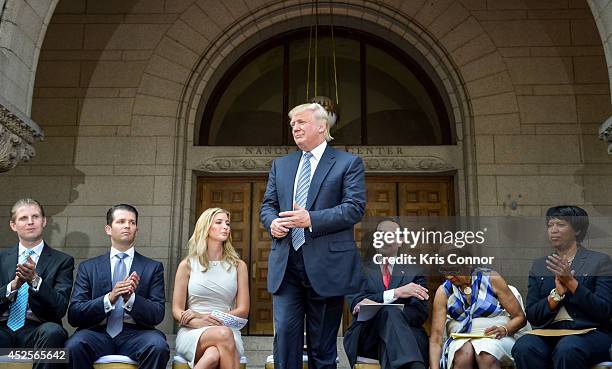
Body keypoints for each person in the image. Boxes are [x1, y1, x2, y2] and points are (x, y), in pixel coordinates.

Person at [260, 102, 366, 369]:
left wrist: (311, 219)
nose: (295, 127)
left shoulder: (348, 163)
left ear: (322, 126)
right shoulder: (281, 165)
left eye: (301, 122)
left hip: (327, 267)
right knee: (284, 337)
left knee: (322, 348)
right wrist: (272, 222)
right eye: (292, 124)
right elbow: (268, 205)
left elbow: (354, 208)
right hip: (287, 266)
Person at [65, 204, 169, 369]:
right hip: (97, 334)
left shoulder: (152, 267)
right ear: (108, 229)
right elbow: (74, 314)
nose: (127, 225)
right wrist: (110, 298)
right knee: (73, 346)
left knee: (158, 345)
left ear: (137, 229)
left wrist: (131, 299)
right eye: (121, 221)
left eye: (132, 222)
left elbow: (157, 314)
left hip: (137, 334)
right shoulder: (89, 267)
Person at [512, 205, 612, 369]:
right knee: (524, 346)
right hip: (549, 333)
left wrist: (572, 284)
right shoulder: (539, 266)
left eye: (560, 224)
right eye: (550, 225)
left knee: (568, 348)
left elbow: (604, 310)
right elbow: (532, 314)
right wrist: (556, 296)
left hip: (590, 332)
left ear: (577, 230)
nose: (553, 230)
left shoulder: (600, 261)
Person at [344, 219, 429, 369]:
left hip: (404, 334)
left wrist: (387, 311)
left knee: (390, 317)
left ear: (401, 240)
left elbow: (420, 313)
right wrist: (396, 293)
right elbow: (355, 302)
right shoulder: (359, 270)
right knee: (390, 315)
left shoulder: (415, 271)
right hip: (368, 334)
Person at [0, 198, 74, 369]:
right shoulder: (1, 259)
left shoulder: (62, 261)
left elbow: (60, 308)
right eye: (23, 218)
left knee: (54, 332)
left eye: (36, 216)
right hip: (2, 329)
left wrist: (35, 281)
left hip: (38, 330)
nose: (30, 222)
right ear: (13, 225)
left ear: (44, 221)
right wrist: (13, 287)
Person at [173, 208, 249, 369]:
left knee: (213, 354)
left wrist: (203, 316)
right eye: (219, 222)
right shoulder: (187, 265)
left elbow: (243, 310)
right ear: (206, 228)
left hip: (228, 329)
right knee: (223, 335)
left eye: (227, 223)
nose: (225, 227)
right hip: (193, 331)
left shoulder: (239, 266)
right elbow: (176, 311)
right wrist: (197, 321)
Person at [430, 246, 526, 369]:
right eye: (445, 270)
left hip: (496, 337)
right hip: (461, 339)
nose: (449, 277)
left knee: (485, 353)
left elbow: (520, 317)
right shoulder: (443, 292)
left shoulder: (491, 279)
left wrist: (504, 329)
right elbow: (436, 338)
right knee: (463, 353)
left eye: (454, 270)